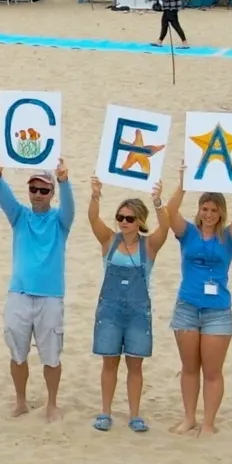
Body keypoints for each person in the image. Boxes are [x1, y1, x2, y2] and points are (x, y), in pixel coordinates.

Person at [162, 177, 232, 435]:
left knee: (212, 371)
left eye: (214, 210)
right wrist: (183, 183)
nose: (209, 214)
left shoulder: (228, 237)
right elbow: (170, 211)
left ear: (221, 212)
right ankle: (189, 417)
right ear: (199, 210)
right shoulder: (188, 233)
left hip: (217, 311)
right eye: (205, 208)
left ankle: (208, 422)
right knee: (189, 368)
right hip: (187, 306)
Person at [0, 160, 74, 421]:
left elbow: (71, 207)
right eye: (34, 189)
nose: (38, 194)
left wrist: (64, 181)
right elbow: (4, 198)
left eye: (44, 190)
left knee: (51, 354)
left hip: (50, 296)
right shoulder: (20, 216)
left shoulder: (60, 221)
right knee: (17, 351)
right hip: (20, 293)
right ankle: (21, 401)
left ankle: (51, 403)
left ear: (51, 193)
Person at [88, 183, 172, 433]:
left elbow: (165, 227)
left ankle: (135, 414)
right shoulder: (109, 241)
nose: (123, 222)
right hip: (110, 311)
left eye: (129, 218)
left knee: (135, 366)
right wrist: (95, 195)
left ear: (139, 221)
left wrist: (158, 202)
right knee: (109, 363)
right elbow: (92, 218)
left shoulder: (149, 246)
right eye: (120, 217)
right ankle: (105, 412)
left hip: (137, 313)